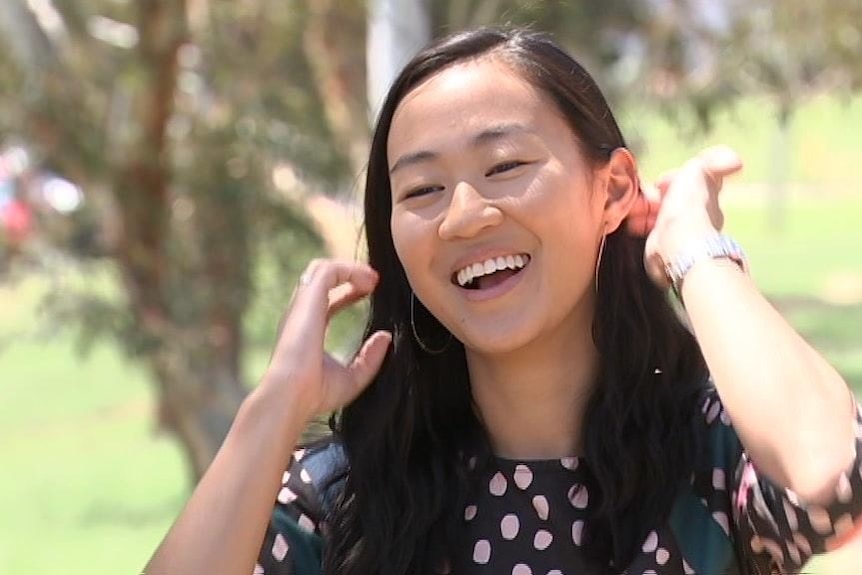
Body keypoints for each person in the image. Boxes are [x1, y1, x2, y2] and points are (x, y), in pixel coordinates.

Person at [145, 27, 862, 575]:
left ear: (611, 189)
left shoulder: (710, 453)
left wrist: (692, 247)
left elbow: (834, 474)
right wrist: (277, 403)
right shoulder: (346, 497)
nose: (463, 215)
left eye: (506, 166)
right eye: (422, 189)